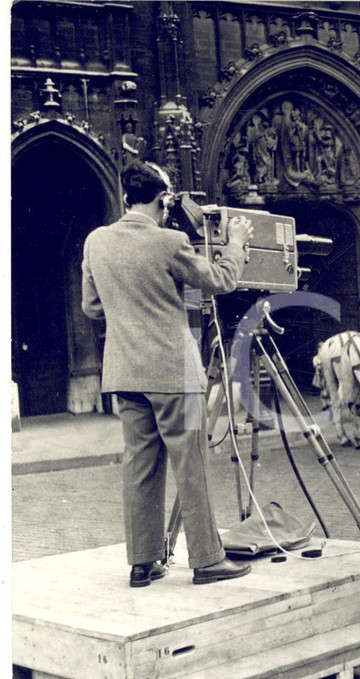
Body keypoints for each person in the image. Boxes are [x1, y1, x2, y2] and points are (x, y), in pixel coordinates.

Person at [81, 160, 254, 587]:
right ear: (163, 200)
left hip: (124, 370)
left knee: (140, 465)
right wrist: (235, 243)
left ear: (125, 198)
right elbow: (220, 279)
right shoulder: (171, 241)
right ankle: (208, 560)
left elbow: (91, 307)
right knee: (190, 464)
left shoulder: (96, 241)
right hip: (174, 372)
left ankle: (142, 563)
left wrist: (130, 317)